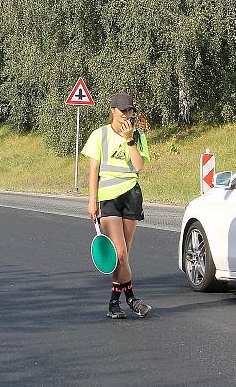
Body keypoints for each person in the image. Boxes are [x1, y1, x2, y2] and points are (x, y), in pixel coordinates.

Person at [81, 93, 152, 319]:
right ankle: (131, 299)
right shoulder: (99, 135)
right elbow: (93, 170)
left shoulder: (137, 135)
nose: (126, 114)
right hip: (109, 199)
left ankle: (114, 302)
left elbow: (139, 166)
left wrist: (130, 139)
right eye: (122, 111)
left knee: (124, 256)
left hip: (131, 196)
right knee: (119, 254)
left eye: (130, 110)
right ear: (112, 110)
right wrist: (92, 201)